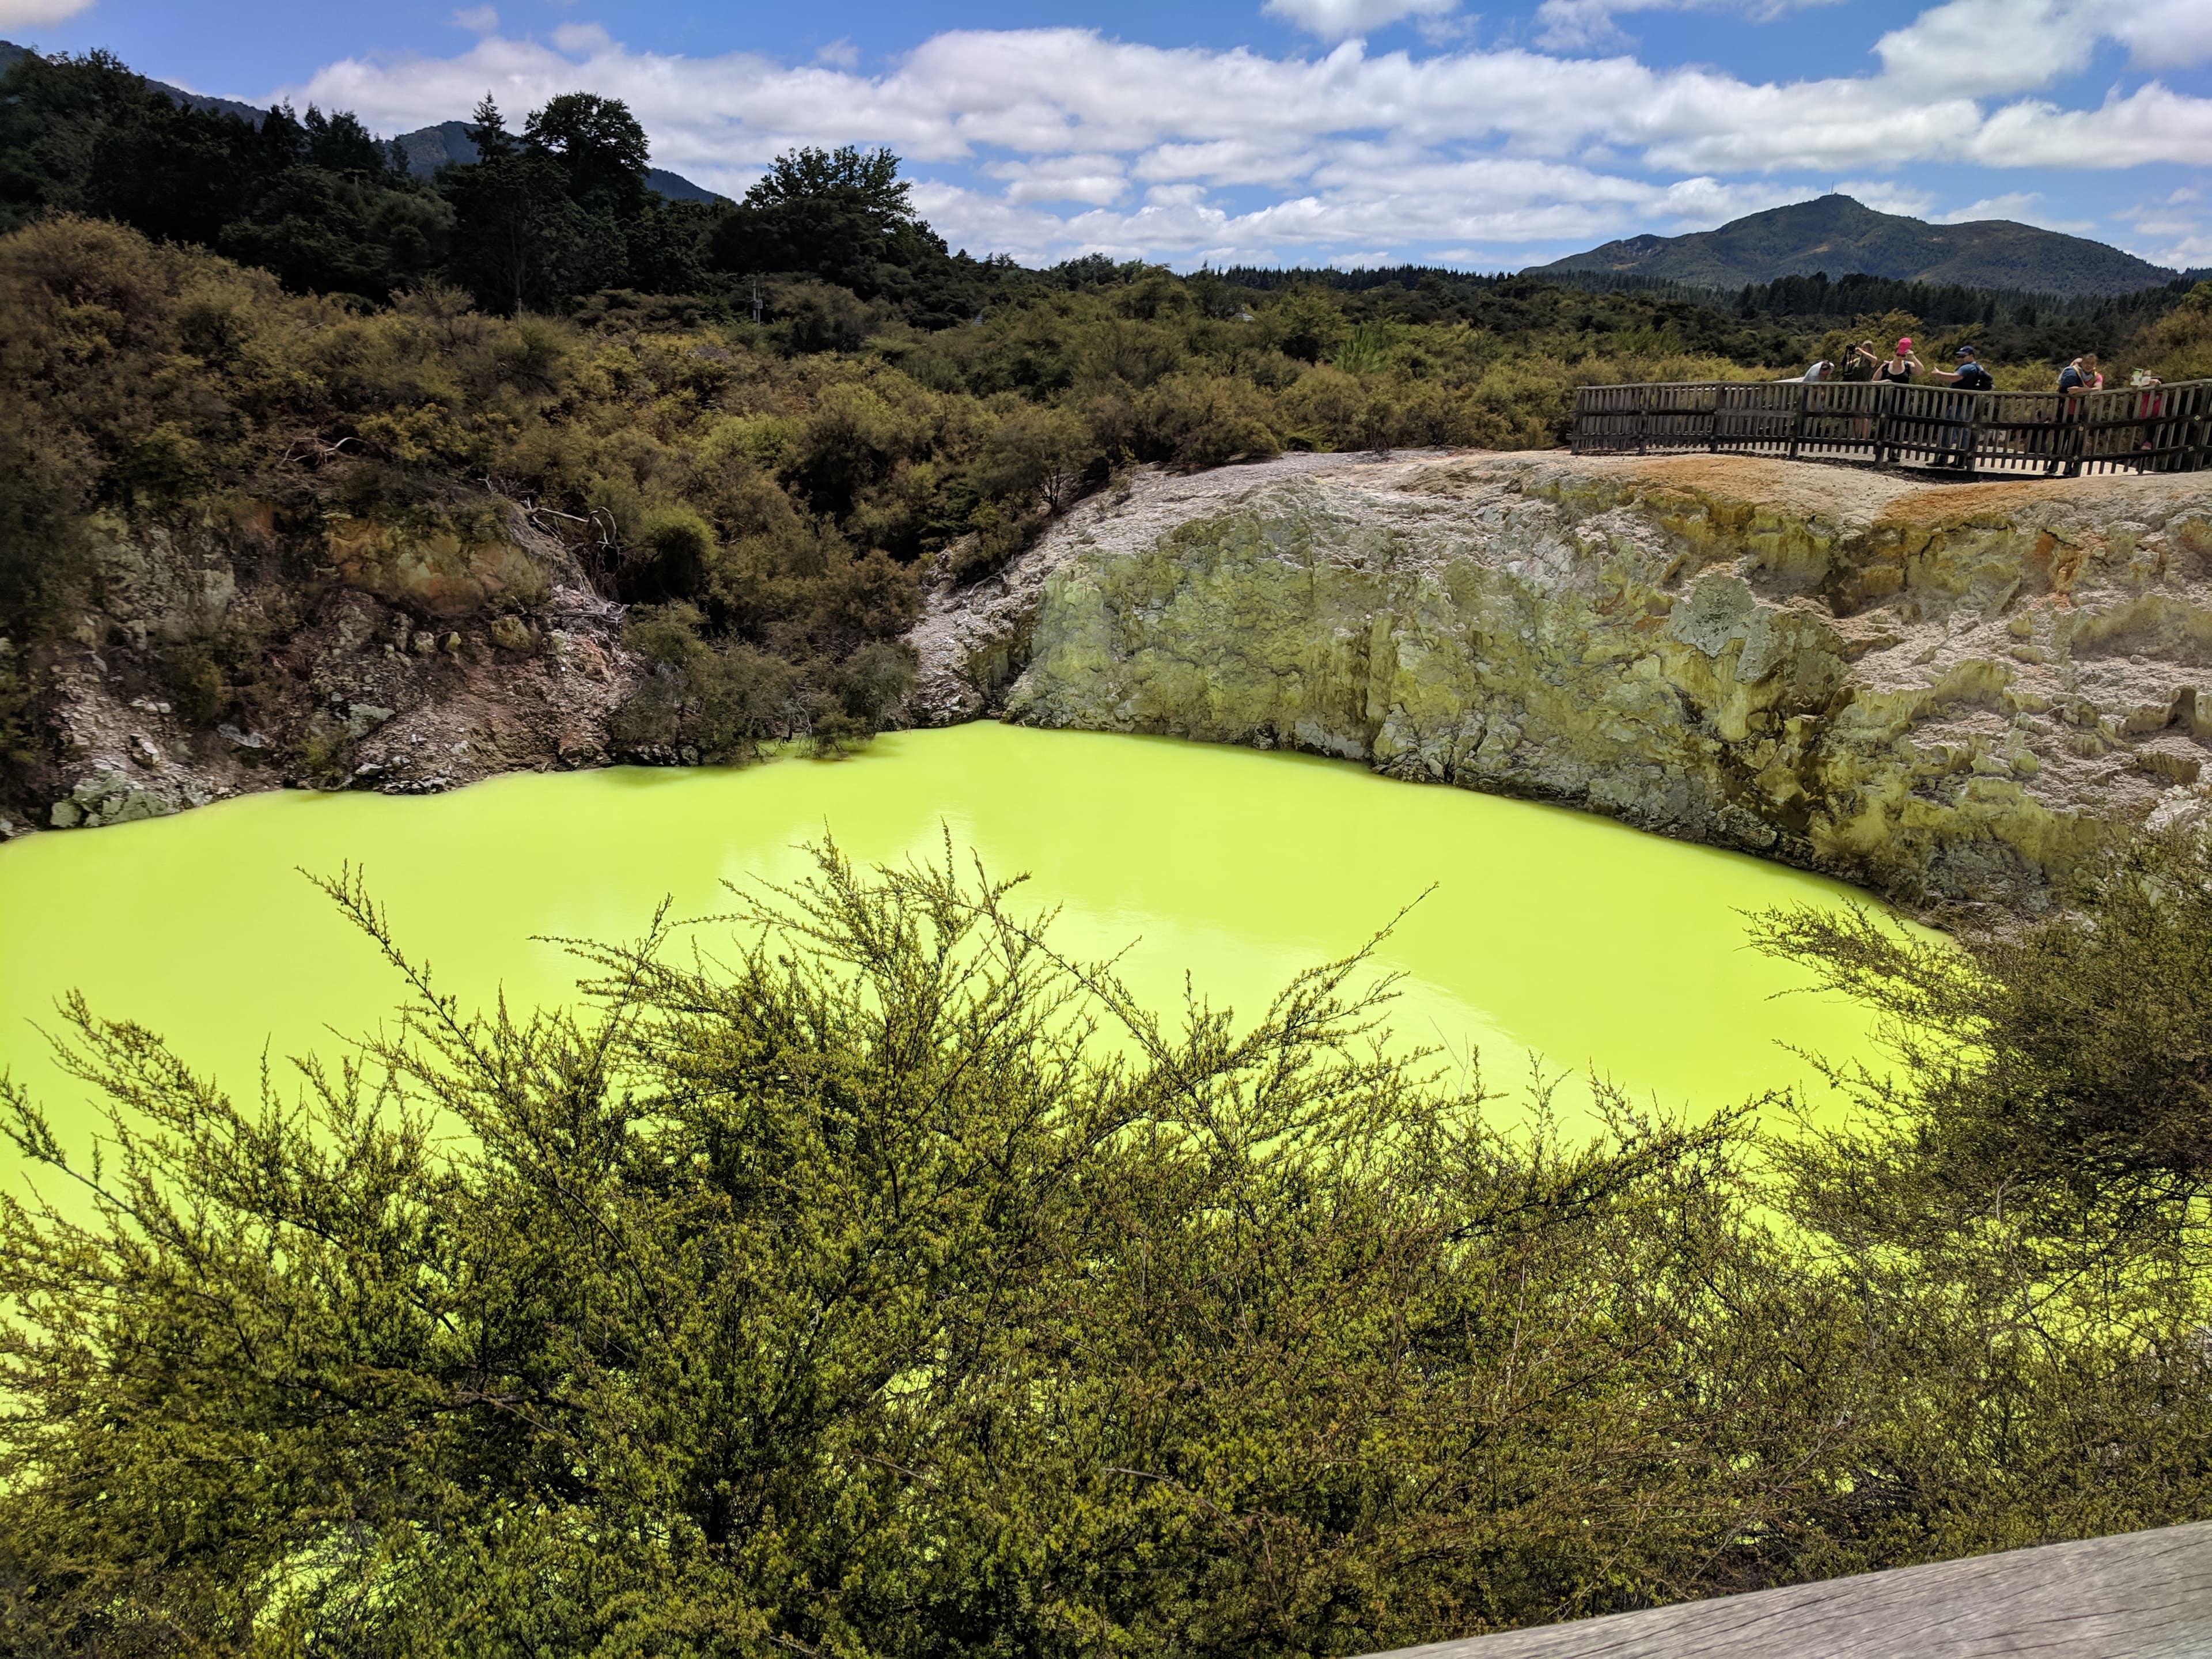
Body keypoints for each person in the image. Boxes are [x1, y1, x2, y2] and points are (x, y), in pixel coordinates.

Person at [1926, 345, 1994, 469]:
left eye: (1963, 356)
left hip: (1960, 403)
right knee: (1963, 430)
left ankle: (1944, 457)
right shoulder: (1977, 367)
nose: (1960, 359)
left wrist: (1939, 374)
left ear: (1971, 356)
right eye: (1959, 356)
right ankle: (1960, 458)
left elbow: (1955, 377)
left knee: (1951, 429)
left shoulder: (1968, 368)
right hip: (1966, 403)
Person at [2049, 353, 2101, 474]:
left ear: (2095, 365)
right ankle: (2053, 466)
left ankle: (2068, 467)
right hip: (2065, 411)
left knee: (2075, 442)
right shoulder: (2073, 373)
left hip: (2081, 414)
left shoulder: (2096, 377)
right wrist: (2087, 390)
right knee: (2059, 441)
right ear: (2082, 363)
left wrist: (2079, 390)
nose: (2089, 366)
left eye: (2092, 364)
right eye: (2087, 363)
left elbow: (2098, 389)